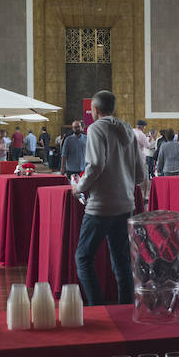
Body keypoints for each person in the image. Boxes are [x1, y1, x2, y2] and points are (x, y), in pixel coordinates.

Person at [73, 90, 146, 305]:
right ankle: (124, 309)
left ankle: (97, 307)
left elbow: (95, 165)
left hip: (101, 206)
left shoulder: (95, 128)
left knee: (83, 258)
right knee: (122, 263)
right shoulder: (127, 129)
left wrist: (79, 187)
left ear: (94, 109)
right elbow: (140, 173)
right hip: (125, 204)